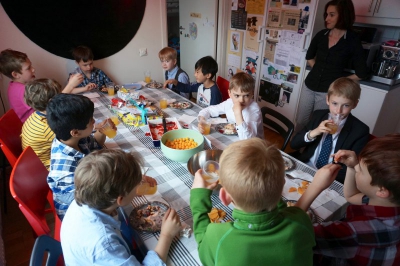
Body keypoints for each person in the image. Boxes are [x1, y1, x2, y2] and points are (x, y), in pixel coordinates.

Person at [190, 138, 315, 265]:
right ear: (283, 184)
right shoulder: (301, 220)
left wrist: (198, 196)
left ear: (224, 197)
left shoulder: (217, 237)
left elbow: (202, 247)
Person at [61, 149, 181, 265]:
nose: (139, 186)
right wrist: (167, 235)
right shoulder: (105, 245)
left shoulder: (87, 196)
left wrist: (131, 185)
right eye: (136, 186)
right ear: (120, 199)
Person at [295, 134, 400, 265]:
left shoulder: (354, 232)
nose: (357, 170)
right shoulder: (388, 202)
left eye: (360, 170)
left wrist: (315, 186)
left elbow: (290, 236)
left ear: (382, 191)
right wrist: (352, 166)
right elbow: (351, 196)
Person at [294, 0, 368, 134]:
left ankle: (310, 152)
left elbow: (361, 73)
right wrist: (318, 69)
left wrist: (338, 82)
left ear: (343, 15)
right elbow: (309, 56)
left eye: (332, 15)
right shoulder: (321, 35)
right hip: (309, 86)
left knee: (319, 122)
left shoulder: (352, 40)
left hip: (327, 93)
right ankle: (296, 146)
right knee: (301, 121)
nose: (327, 18)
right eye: (326, 14)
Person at [46, 93, 116, 220]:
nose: (94, 121)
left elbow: (95, 144)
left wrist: (101, 131)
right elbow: (90, 202)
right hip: (82, 215)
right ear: (75, 132)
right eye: (90, 120)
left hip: (93, 191)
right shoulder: (64, 171)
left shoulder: (73, 139)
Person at [291, 77, 369, 183]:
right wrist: (315, 132)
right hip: (307, 168)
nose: (338, 111)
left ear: (354, 104)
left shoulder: (360, 130)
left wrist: (324, 179)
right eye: (334, 103)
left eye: (346, 105)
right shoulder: (318, 115)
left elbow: (352, 168)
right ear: (327, 100)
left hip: (331, 177)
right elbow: (294, 144)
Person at [0, 49, 84, 122]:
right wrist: (70, 85)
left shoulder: (13, 86)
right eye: (28, 68)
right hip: (39, 125)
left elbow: (49, 100)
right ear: (15, 74)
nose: (33, 69)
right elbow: (52, 106)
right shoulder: (23, 90)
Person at [197, 72, 264, 140]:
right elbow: (209, 110)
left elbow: (248, 140)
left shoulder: (254, 109)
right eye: (237, 95)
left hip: (253, 147)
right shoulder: (229, 103)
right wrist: (202, 120)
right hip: (233, 138)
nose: (241, 100)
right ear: (230, 93)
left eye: (246, 95)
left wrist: (238, 114)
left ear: (252, 94)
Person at [21, 79, 62, 170]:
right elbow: (70, 144)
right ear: (53, 102)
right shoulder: (48, 127)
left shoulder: (36, 115)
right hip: (48, 168)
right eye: (61, 95)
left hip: (35, 163)